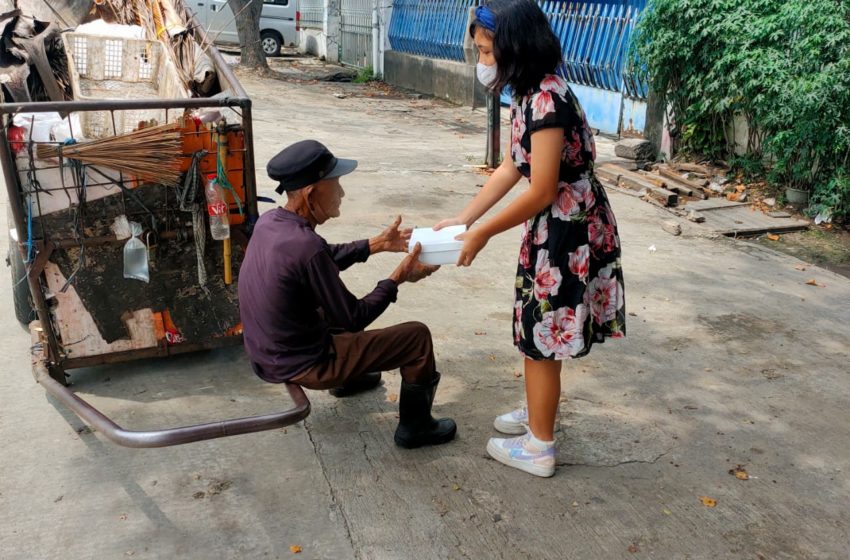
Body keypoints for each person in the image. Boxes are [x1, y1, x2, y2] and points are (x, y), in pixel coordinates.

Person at [435, 0, 626, 477]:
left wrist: (481, 234)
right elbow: (511, 166)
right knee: (535, 323)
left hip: (567, 229)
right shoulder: (526, 91)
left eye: (486, 51)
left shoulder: (547, 100)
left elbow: (541, 188)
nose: (482, 61)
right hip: (555, 222)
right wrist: (463, 217)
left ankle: (540, 445)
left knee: (543, 328)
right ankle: (537, 408)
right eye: (478, 51)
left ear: (514, 47)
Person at [238, 139, 457, 448]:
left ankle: (349, 379)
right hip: (302, 362)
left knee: (328, 306)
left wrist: (378, 243)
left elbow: (324, 256)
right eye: (336, 184)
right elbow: (354, 317)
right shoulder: (305, 245)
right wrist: (398, 277)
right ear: (311, 192)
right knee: (416, 337)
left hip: (267, 351)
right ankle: (416, 427)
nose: (341, 193)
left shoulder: (272, 222)